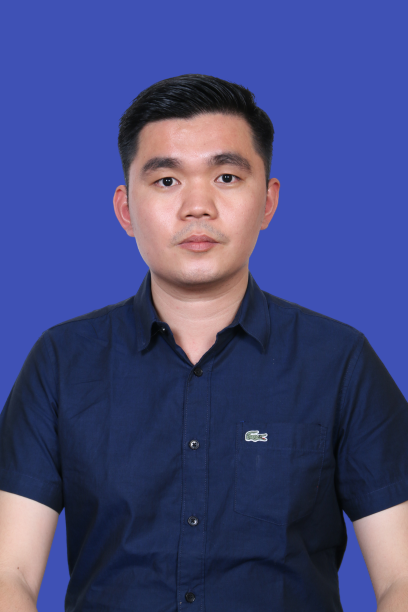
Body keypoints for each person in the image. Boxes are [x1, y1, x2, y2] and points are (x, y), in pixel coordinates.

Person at [0, 74, 407, 612]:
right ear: (125, 209)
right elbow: (11, 573)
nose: (198, 206)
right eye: (167, 180)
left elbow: (400, 577)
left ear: (268, 201)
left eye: (227, 177)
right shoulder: (60, 362)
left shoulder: (340, 362)